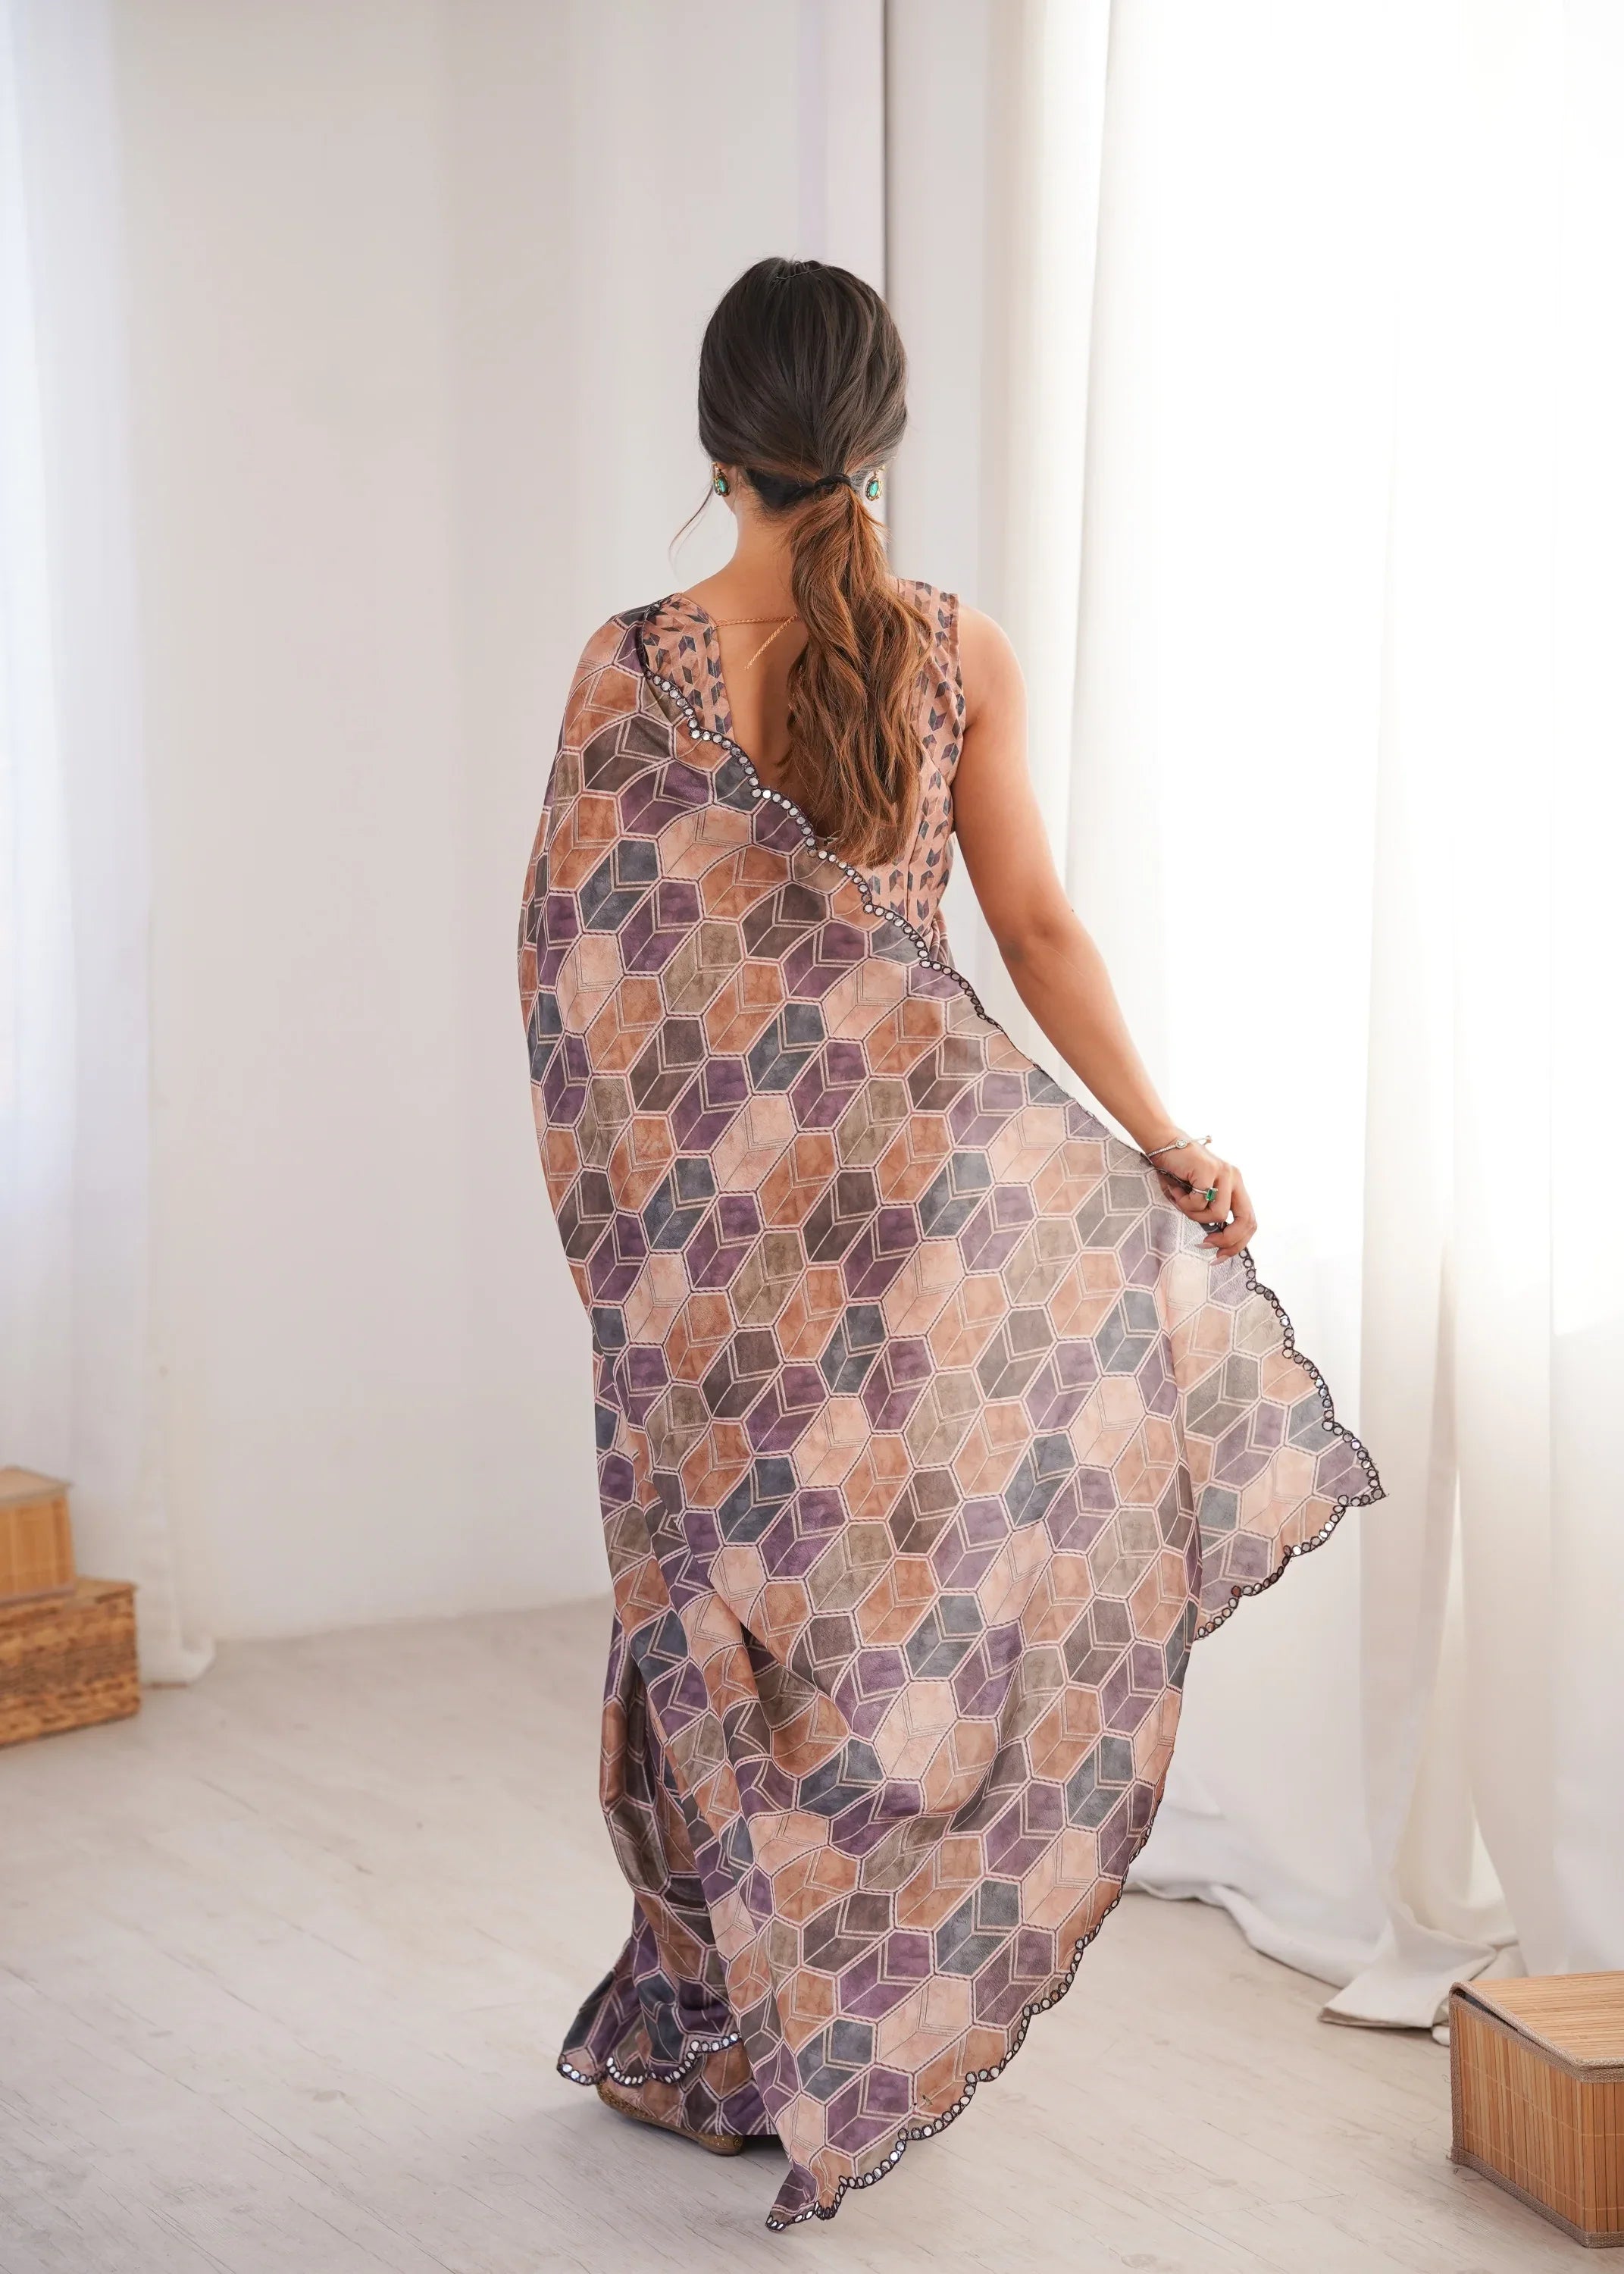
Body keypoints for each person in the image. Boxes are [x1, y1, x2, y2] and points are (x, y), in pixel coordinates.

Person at [518, 256, 1380, 2232]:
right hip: (913, 1227)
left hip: (716, 1255)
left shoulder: (628, 668)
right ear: (882, 438)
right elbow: (1035, 924)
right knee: (866, 1618)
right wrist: (1163, 1141)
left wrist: (621, 1231)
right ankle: (843, 2010)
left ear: (715, 442)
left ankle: (722, 2038)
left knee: (716, 1614)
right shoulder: (955, 651)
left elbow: (577, 978)